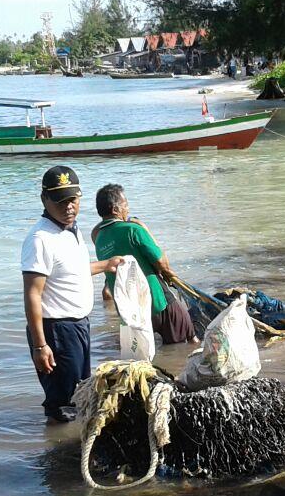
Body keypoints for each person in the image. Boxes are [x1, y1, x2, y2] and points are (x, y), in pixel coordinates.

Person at [21, 166, 124, 424]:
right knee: (62, 405)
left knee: (80, 393)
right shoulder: (40, 239)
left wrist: (106, 265)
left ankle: (71, 445)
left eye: (73, 200)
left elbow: (71, 271)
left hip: (79, 326)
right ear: (44, 199)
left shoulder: (71, 230)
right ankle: (58, 456)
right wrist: (40, 346)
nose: (69, 207)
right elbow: (33, 294)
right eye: (60, 201)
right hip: (56, 331)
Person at [91, 184, 199, 345]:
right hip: (157, 301)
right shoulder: (133, 230)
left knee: (142, 354)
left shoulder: (98, 238)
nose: (128, 208)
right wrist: (145, 229)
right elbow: (161, 261)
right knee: (189, 339)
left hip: (129, 312)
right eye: (125, 204)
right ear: (115, 209)